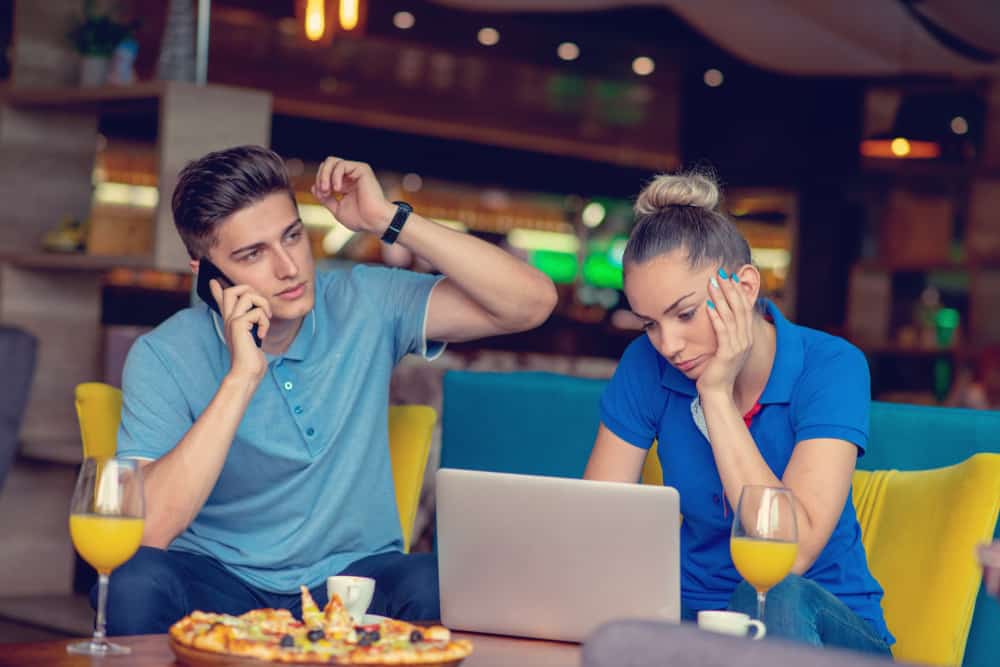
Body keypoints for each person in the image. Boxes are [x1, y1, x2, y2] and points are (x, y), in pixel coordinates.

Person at [101, 146, 557, 635]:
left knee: (442, 582)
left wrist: (389, 219)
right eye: (253, 254)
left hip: (354, 582)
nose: (288, 267)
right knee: (135, 581)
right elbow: (149, 531)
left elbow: (530, 304)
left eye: (292, 237)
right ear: (206, 274)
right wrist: (242, 377)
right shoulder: (164, 354)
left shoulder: (366, 300)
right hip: (220, 583)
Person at [583, 170, 893, 654]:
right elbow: (595, 522)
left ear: (745, 286)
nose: (668, 345)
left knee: (778, 598)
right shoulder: (645, 366)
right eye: (649, 325)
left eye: (685, 314)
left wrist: (715, 396)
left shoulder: (832, 366)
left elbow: (788, 555)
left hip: (821, 629)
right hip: (697, 620)